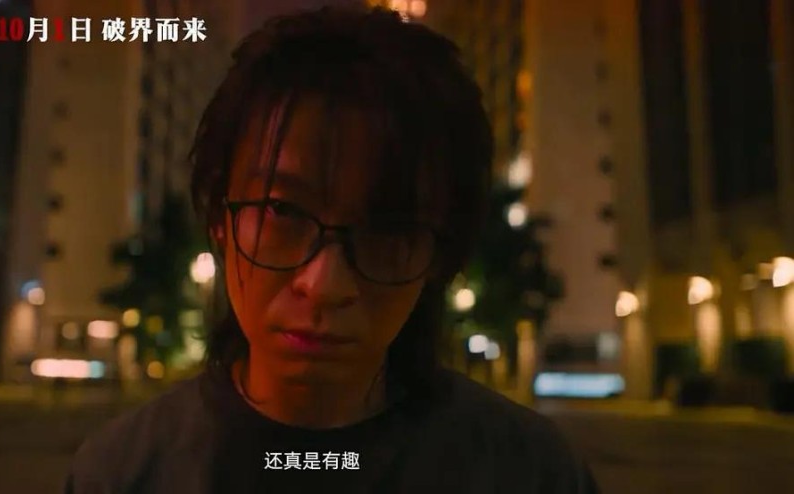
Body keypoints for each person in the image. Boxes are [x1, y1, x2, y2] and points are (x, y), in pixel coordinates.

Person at [66, 5, 598, 493]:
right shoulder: (122, 474)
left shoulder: (532, 473)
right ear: (220, 218)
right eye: (282, 211)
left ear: (439, 255)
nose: (324, 285)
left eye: (388, 230)